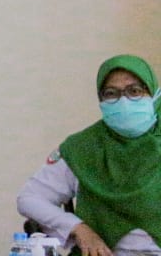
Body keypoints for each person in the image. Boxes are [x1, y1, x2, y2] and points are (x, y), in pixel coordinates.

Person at [17, 54, 161, 256]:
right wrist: (78, 228)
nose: (124, 101)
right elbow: (29, 198)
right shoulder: (83, 147)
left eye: (135, 91)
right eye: (111, 93)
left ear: (154, 93)